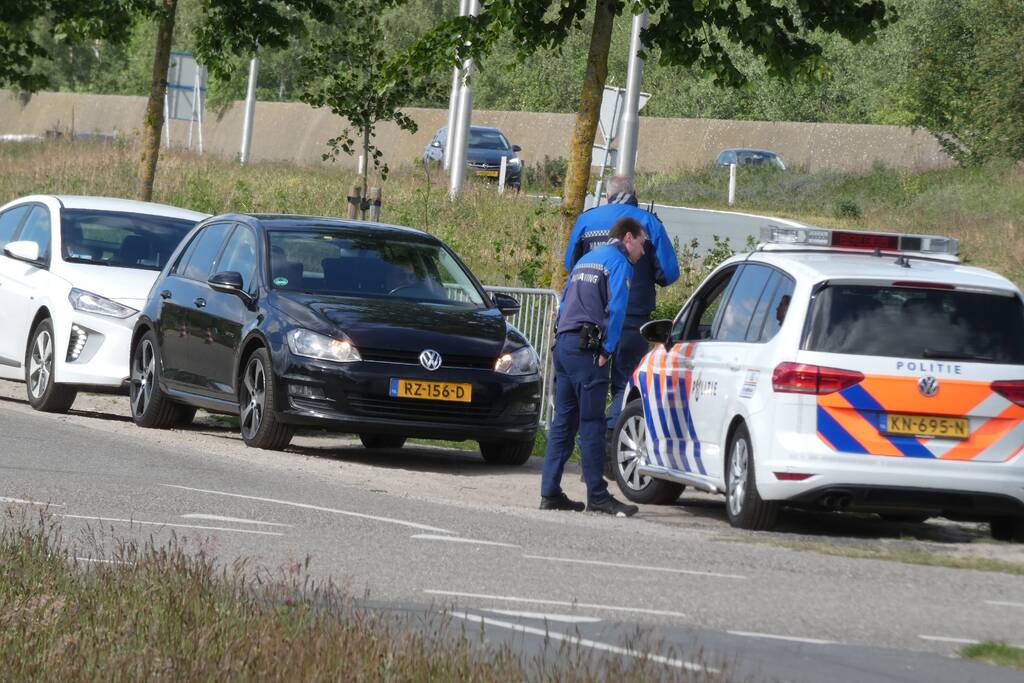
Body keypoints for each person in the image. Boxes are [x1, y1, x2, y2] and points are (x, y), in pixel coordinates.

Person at [540, 217, 647, 517]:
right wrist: (607, 350)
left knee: (563, 423)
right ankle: (598, 496)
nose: (643, 250)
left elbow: (563, 305)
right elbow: (617, 308)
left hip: (564, 346)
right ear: (628, 238)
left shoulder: (587, 259)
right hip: (588, 351)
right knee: (591, 424)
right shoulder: (619, 263)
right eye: (642, 243)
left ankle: (549, 492)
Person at [565, 175, 681, 440]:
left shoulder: (586, 220)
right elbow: (669, 274)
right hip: (633, 319)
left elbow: (571, 266)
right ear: (634, 194)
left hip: (590, 320)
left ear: (606, 195)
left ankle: (589, 444)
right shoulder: (649, 223)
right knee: (626, 383)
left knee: (590, 384)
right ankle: (609, 439)